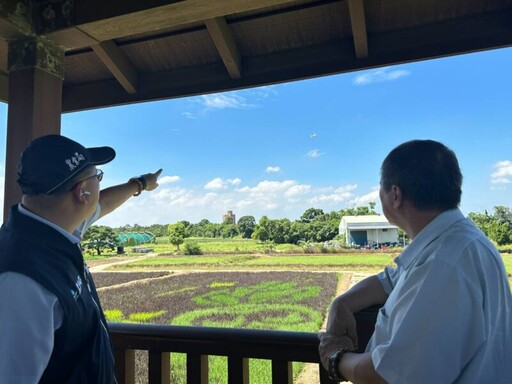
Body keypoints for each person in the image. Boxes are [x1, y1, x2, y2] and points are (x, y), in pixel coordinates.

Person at [318, 139, 512, 383]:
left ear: (395, 195)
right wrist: (341, 303)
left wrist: (336, 357)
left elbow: (389, 374)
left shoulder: (445, 263)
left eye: (381, 188)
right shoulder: (451, 243)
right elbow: (390, 281)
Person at [0, 134, 162, 383]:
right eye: (97, 177)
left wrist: (139, 183)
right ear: (82, 192)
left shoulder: (52, 230)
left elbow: (104, 203)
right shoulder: (21, 278)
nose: (99, 185)